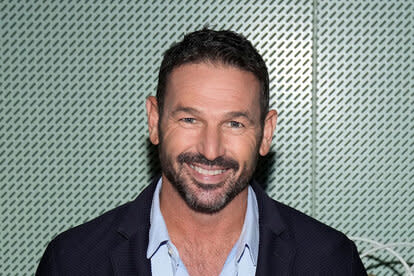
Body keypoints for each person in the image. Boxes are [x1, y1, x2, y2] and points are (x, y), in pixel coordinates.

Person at [36, 29, 367, 275]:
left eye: (235, 123)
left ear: (266, 133)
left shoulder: (331, 262)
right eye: (190, 119)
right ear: (155, 121)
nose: (211, 150)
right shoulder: (73, 262)